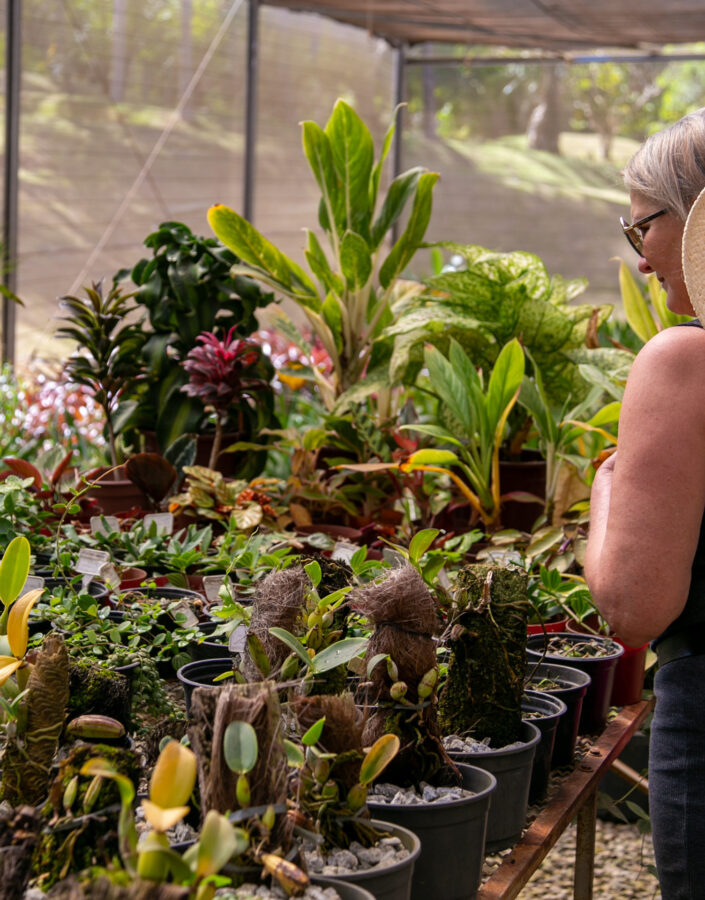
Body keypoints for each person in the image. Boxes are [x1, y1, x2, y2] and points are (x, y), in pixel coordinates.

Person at [584, 107, 705, 900]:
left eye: (641, 231)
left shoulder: (684, 361)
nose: (639, 259)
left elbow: (631, 605)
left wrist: (606, 489)